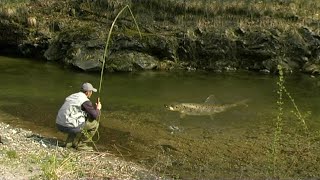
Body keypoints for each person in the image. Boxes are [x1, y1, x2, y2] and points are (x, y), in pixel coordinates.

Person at [56, 82, 102, 151]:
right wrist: (98, 108)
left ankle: (68, 144)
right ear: (87, 92)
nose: (91, 93)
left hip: (59, 124)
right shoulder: (85, 101)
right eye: (91, 91)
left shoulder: (72, 96)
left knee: (75, 120)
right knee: (95, 124)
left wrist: (94, 109)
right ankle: (81, 145)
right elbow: (94, 115)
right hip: (68, 126)